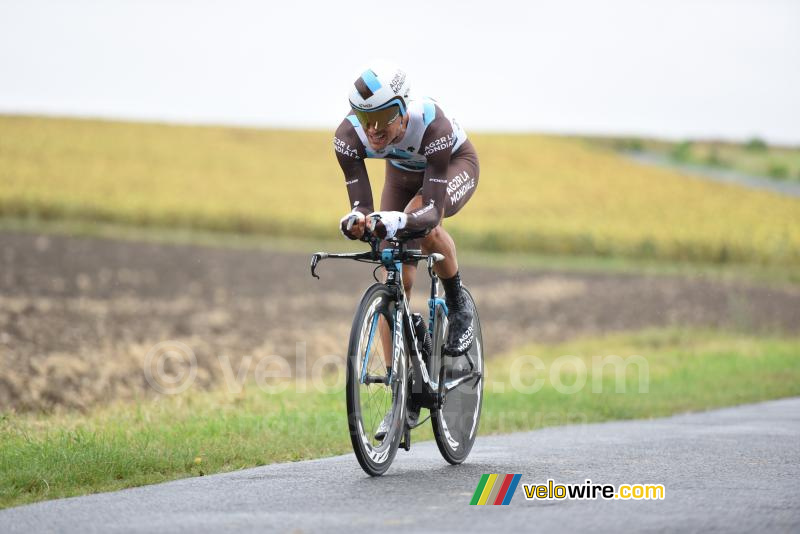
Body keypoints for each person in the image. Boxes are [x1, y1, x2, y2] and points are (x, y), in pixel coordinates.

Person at [334, 64, 479, 439]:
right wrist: (358, 221)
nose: (374, 130)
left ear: (403, 110)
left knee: (423, 228)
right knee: (394, 269)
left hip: (452, 165)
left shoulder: (433, 127)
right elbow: (363, 208)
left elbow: (430, 211)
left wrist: (400, 221)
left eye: (383, 118)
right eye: (366, 118)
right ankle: (403, 390)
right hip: (401, 174)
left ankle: (457, 300)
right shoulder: (348, 139)